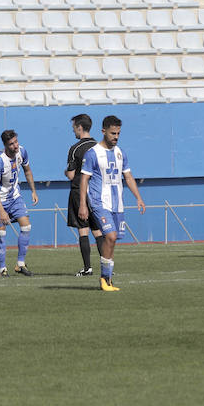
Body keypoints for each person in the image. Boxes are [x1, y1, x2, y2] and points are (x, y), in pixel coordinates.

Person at [78, 115, 145, 292]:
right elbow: (84, 179)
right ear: (103, 131)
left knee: (113, 241)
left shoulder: (120, 153)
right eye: (113, 133)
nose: (116, 136)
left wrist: (138, 197)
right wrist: (83, 205)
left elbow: (128, 176)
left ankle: (108, 280)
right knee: (110, 236)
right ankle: (103, 278)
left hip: (117, 204)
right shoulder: (93, 153)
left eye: (118, 133)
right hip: (99, 202)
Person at [0, 129, 38, 277]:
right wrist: (1, 210)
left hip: (15, 196)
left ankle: (20, 264)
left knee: (26, 226)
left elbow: (27, 171)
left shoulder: (22, 152)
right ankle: (2, 269)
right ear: (5, 145)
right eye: (11, 144)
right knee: (1, 232)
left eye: (16, 141)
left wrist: (33, 190)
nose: (15, 146)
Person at [65, 113, 103, 277]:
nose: (73, 130)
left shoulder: (75, 149)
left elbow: (72, 175)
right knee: (98, 231)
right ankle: (107, 266)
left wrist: (66, 171)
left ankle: (87, 268)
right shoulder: (99, 147)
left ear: (80, 128)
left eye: (74, 127)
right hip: (96, 192)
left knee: (83, 230)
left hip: (79, 191)